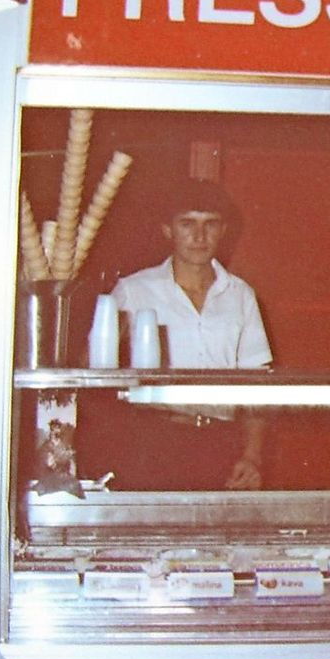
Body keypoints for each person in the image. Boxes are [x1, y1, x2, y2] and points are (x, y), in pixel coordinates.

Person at [108, 178, 272, 489]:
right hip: (152, 442)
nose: (199, 236)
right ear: (167, 230)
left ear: (223, 231)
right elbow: (94, 370)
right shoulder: (133, 290)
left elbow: (257, 385)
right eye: (187, 223)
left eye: (210, 224)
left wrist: (252, 456)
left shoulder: (240, 295)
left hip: (220, 441)